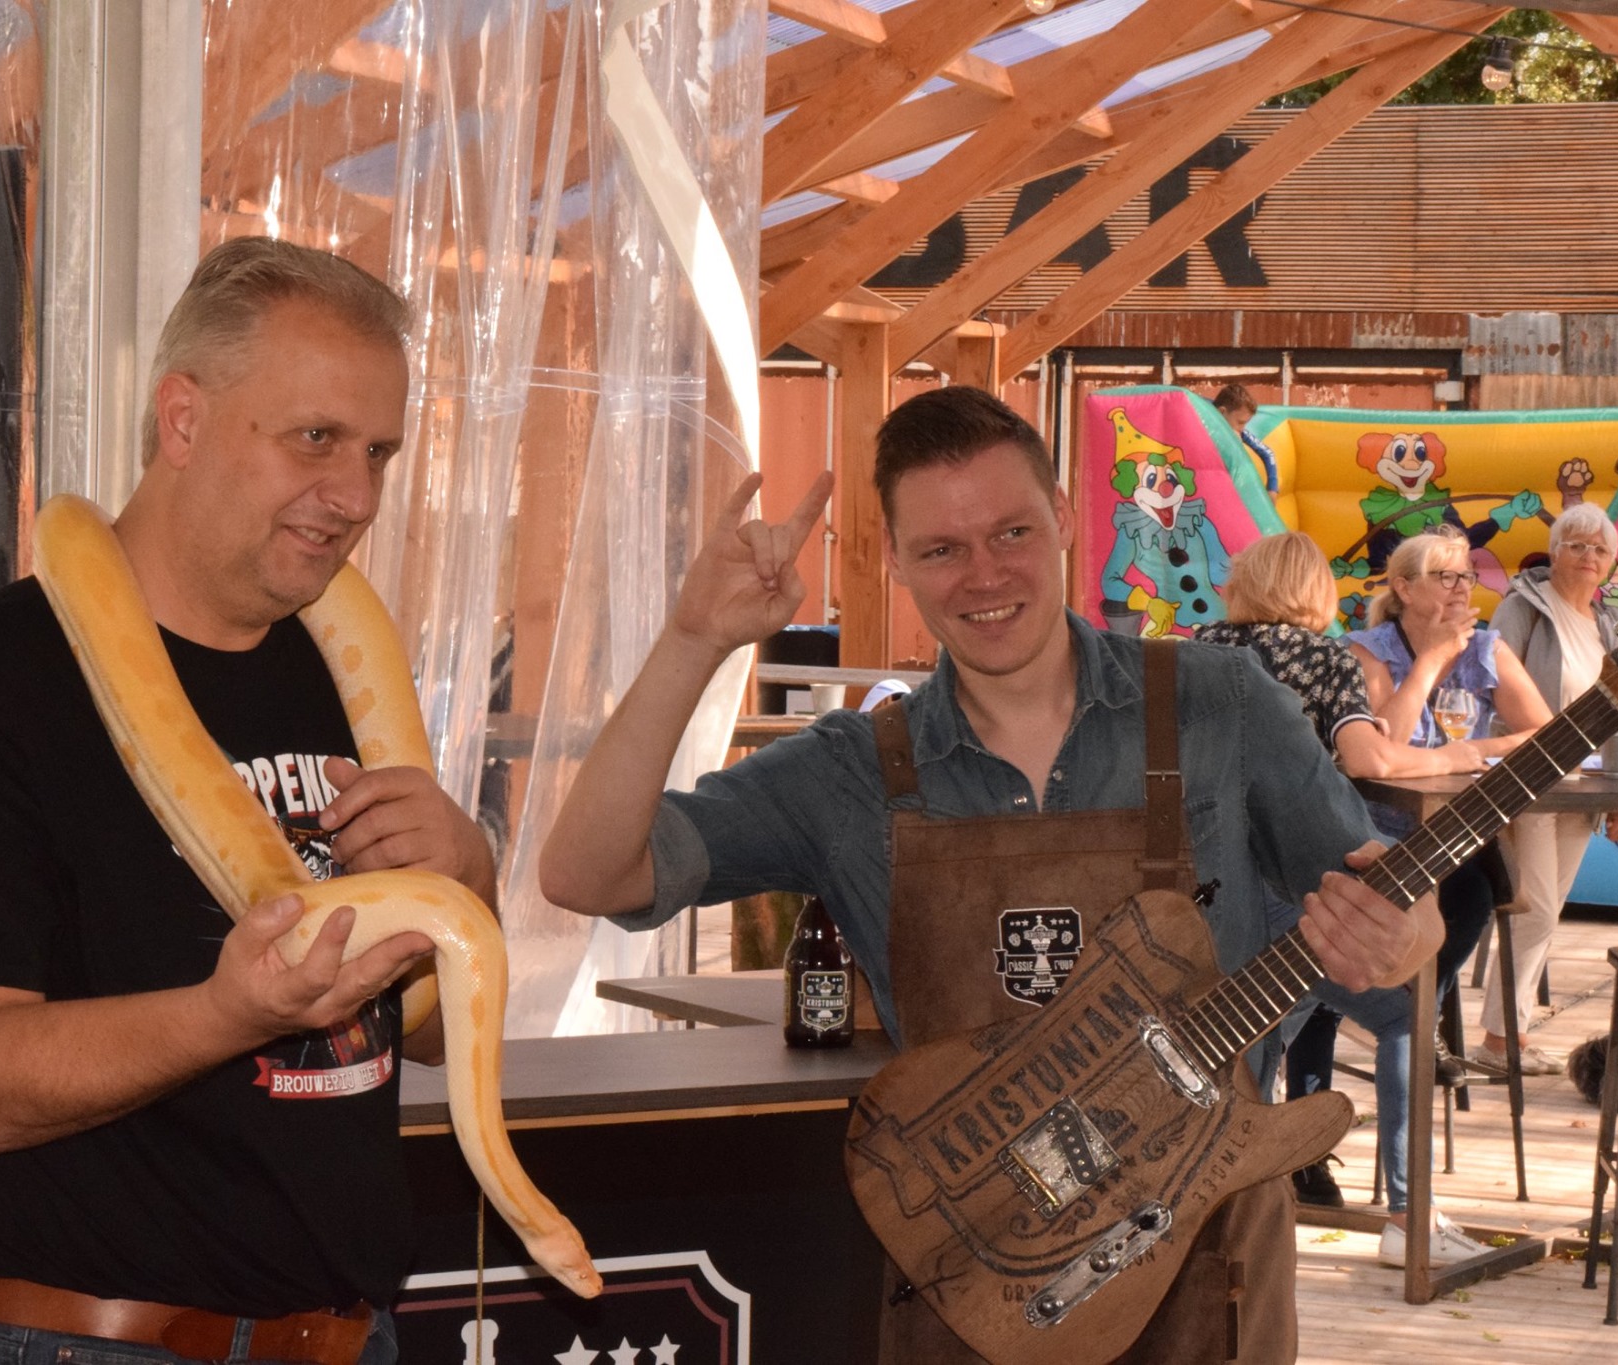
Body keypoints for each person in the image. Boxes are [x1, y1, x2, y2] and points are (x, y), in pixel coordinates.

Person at [540, 387, 1440, 1364]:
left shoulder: (1218, 706)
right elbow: (587, 873)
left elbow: (1383, 902)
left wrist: (1407, 932)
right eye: (940, 549)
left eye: (1010, 531)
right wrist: (692, 642)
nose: (982, 576)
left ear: (1062, 517)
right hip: (973, 1284)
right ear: (894, 560)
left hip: (1204, 1277)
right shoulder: (848, 773)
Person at [0, 238, 496, 1365]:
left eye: (379, 453)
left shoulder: (339, 676)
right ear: (183, 421)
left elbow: (410, 1033)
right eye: (315, 439)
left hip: (353, 1337)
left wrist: (464, 879)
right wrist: (229, 1012)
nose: (353, 497)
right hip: (96, 1344)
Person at [1197, 533, 1487, 1265]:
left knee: (1264, 1028)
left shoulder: (1191, 649)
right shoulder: (1325, 658)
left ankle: (1232, 1195)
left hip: (1195, 896)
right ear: (1317, 592)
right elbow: (1369, 756)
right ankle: (1404, 1216)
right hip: (1295, 889)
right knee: (1406, 1012)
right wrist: (1453, 754)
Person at [1345, 531, 1558, 1080]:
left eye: (1466, 575)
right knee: (1432, 885)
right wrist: (1433, 659)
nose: (1462, 587)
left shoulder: (1487, 649)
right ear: (1403, 588)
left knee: (1477, 891)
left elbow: (1543, 734)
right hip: (1379, 828)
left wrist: (1475, 751)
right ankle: (1409, 1021)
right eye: (1445, 576)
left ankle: (1422, 1015)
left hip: (1457, 829)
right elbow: (1383, 745)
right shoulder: (1367, 650)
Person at [1485, 502, 1618, 1074]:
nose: (1587, 556)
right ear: (1554, 552)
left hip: (1587, 782)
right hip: (1527, 775)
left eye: (1599, 548)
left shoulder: (1610, 622)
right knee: (1536, 909)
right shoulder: (1523, 606)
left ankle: (1510, 1035)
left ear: (1611, 562)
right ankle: (1500, 1042)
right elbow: (1491, 681)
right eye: (1576, 545)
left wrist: (1617, 795)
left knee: (1549, 908)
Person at [1212, 381, 1279, 493]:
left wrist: (1272, 488)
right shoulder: (1199, 420)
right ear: (1221, 412)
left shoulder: (1239, 432)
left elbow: (1268, 453)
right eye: (1240, 422)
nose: (1242, 428)